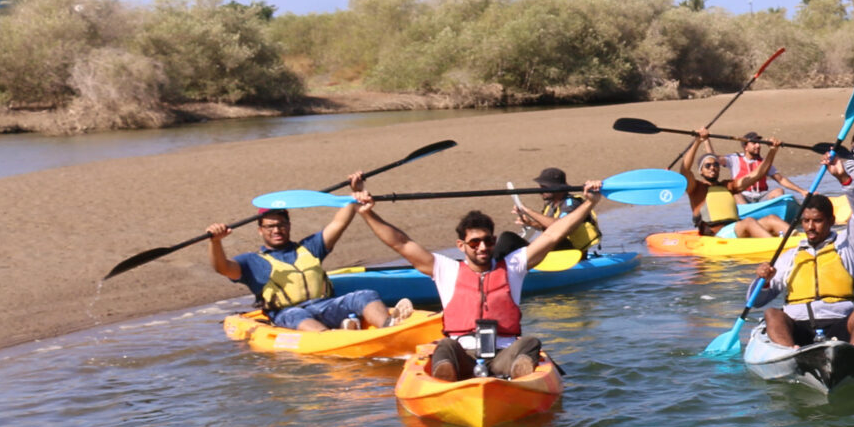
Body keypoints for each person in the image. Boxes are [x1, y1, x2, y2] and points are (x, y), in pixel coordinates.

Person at [352, 175, 600, 380]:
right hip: (463, 355)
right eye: (474, 242)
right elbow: (401, 243)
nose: (482, 247)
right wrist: (367, 214)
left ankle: (518, 379)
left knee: (531, 342)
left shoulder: (513, 266)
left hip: (504, 354)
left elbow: (552, 236)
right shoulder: (444, 269)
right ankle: (448, 381)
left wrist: (589, 204)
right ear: (461, 245)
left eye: (488, 241)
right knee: (444, 346)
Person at [208, 204, 399, 331]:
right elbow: (222, 267)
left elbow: (339, 223)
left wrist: (354, 195)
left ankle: (390, 327)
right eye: (270, 226)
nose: (277, 230)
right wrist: (215, 242)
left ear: (289, 225)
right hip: (287, 314)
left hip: (325, 306)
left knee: (365, 295)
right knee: (295, 313)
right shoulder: (251, 262)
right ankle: (333, 337)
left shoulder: (310, 248)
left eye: (281, 224)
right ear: (260, 230)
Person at [753, 190, 854, 350]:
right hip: (798, 328)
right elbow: (756, 302)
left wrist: (846, 180)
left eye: (817, 221)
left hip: (840, 323)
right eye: (806, 221)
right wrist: (764, 281)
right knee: (772, 313)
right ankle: (789, 352)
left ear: (831, 220)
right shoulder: (789, 257)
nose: (810, 227)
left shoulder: (847, 247)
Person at [676, 135, 787, 239]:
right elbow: (685, 169)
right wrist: (697, 142)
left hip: (736, 229)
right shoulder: (695, 188)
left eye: (715, 165)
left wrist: (772, 150)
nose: (712, 168)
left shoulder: (728, 186)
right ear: (701, 170)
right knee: (748, 221)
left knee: (772, 219)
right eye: (707, 165)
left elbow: (757, 174)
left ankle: (799, 241)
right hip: (716, 235)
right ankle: (777, 247)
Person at [509, 167, 603, 257]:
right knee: (513, 240)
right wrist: (530, 223)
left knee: (553, 239)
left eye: (544, 187)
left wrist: (527, 210)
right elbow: (547, 225)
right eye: (540, 186)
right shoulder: (550, 204)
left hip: (574, 254)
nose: (540, 191)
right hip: (556, 251)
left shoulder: (572, 203)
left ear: (558, 188)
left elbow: (559, 227)